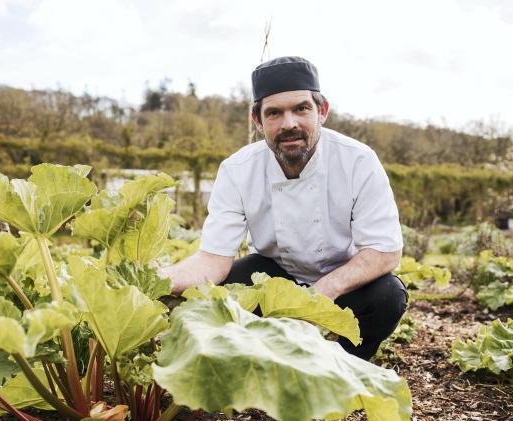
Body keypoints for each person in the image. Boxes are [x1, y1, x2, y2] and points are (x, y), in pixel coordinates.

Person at [159, 56, 407, 359]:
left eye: (301, 109)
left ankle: (342, 363)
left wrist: (321, 293)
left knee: (388, 296)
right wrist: (160, 279)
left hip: (344, 281)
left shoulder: (358, 160)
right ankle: (263, 356)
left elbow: (384, 251)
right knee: (232, 283)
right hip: (275, 279)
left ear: (322, 111)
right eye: (274, 113)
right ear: (258, 121)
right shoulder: (237, 169)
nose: (289, 124)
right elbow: (213, 259)